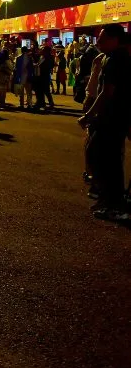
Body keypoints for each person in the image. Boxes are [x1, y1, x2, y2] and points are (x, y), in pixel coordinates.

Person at [78, 25, 130, 221]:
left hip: (112, 117)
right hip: (113, 117)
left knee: (105, 159)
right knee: (103, 156)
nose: (98, 43)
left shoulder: (116, 59)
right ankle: (110, 200)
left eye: (103, 39)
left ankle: (115, 204)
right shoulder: (111, 57)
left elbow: (106, 92)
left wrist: (89, 115)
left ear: (115, 39)